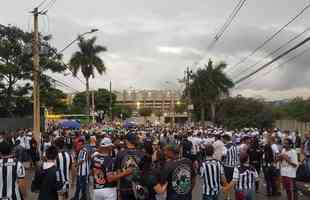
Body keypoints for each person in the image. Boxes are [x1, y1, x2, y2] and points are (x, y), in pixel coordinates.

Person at [115, 132, 146, 200]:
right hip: (139, 187)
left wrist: (118, 189)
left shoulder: (120, 153)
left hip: (124, 188)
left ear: (126, 141)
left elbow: (118, 173)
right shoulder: (143, 154)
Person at [222, 134, 239, 200]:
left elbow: (223, 155)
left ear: (225, 139)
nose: (222, 140)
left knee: (227, 183)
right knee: (234, 182)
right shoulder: (235, 146)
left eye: (222, 139)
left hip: (228, 167)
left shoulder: (225, 146)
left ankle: (227, 197)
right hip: (235, 166)